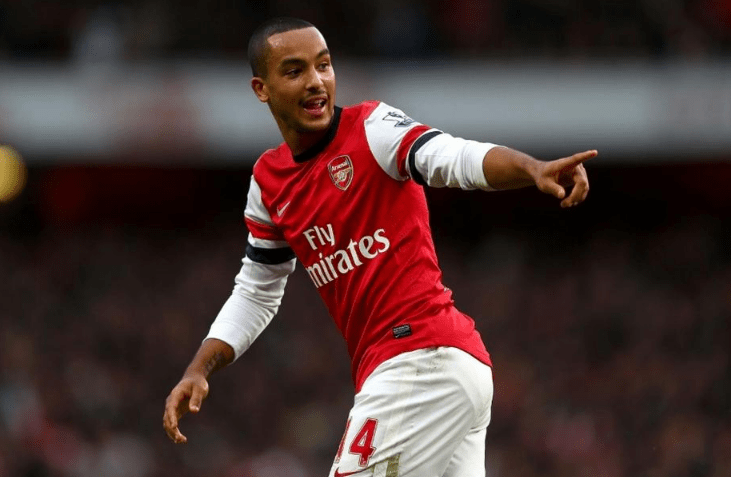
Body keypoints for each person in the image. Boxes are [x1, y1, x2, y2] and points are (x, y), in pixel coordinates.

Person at [163, 17, 595, 477]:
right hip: (437, 370)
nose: (316, 82)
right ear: (261, 89)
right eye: (294, 71)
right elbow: (256, 291)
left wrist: (530, 169)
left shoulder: (372, 128)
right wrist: (199, 368)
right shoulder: (269, 183)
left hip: (420, 363)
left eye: (323, 65)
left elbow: (452, 156)